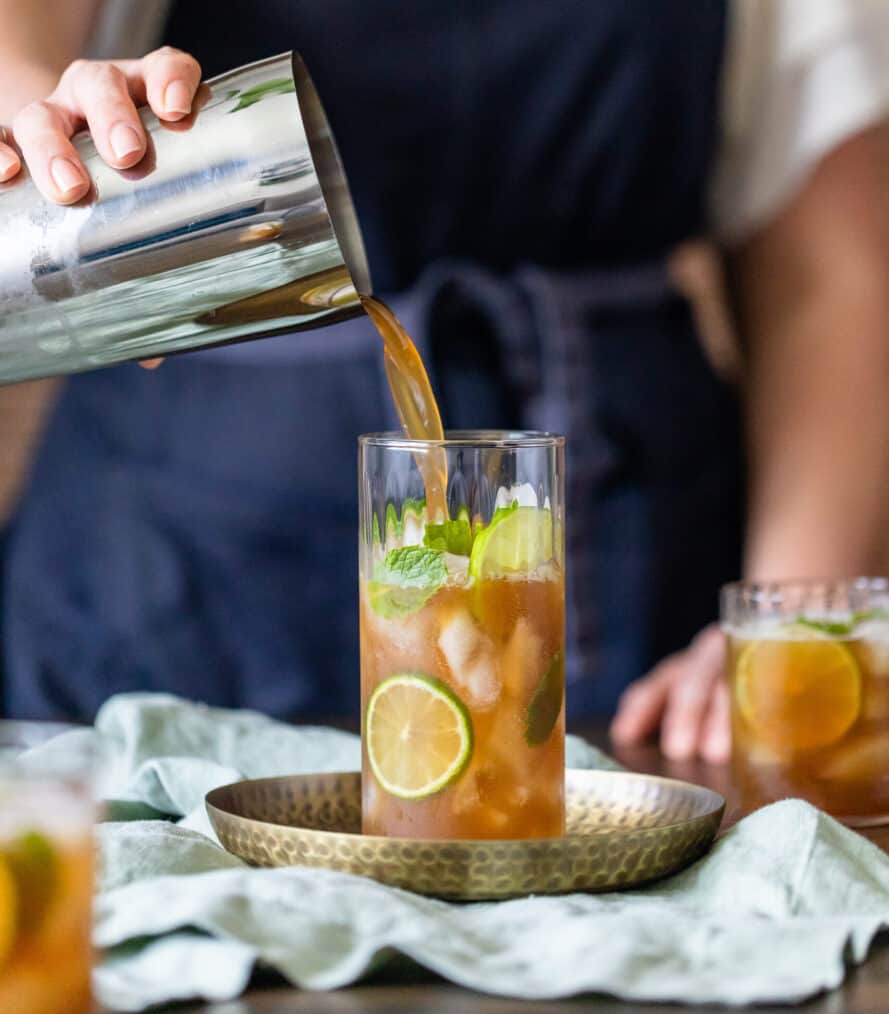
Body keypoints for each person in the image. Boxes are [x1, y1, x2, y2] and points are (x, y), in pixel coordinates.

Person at [2, 0, 889, 762]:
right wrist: (43, 121)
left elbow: (830, 265)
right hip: (186, 565)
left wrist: (792, 630)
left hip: (634, 547)